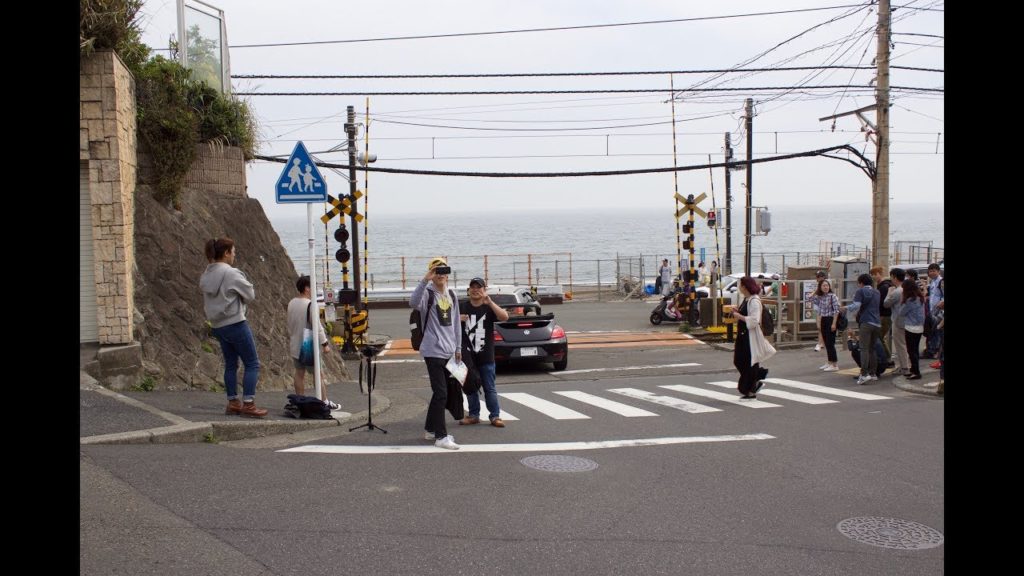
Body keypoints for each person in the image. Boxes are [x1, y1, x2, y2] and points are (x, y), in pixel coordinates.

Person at [199, 238, 268, 418]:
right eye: (233, 252)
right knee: (252, 363)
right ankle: (249, 404)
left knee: (231, 364)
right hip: (235, 322)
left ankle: (233, 402)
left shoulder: (207, 273)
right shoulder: (231, 273)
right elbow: (250, 295)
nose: (234, 255)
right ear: (227, 253)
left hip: (218, 325)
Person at [410, 257, 463, 450]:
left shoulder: (452, 295)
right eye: (436, 270)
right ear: (431, 273)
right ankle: (441, 437)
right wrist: (425, 280)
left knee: (443, 393)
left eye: (443, 270)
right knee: (440, 392)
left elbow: (456, 323)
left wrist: (458, 348)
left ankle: (430, 429)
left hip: (449, 351)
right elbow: (413, 303)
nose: (441, 274)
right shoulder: (427, 294)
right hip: (433, 350)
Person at [458, 277, 510, 428]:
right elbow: (446, 323)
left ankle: (495, 416)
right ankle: (474, 415)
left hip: (486, 355)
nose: (475, 290)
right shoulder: (462, 306)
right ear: (468, 290)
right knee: (470, 387)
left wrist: (490, 302)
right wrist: (457, 319)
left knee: (489, 387)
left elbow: (504, 317)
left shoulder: (489, 308)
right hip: (466, 356)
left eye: (479, 287)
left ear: (484, 290)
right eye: (472, 287)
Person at [286, 275, 338, 409]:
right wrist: (325, 344)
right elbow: (317, 326)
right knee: (318, 374)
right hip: (308, 343)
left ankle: (300, 401)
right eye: (313, 286)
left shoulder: (292, 302)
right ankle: (324, 401)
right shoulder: (310, 304)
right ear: (307, 288)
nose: (315, 289)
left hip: (295, 342)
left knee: (299, 373)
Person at [731, 276, 776, 399]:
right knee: (741, 361)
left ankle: (750, 388)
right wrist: (738, 312)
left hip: (749, 336)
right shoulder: (747, 299)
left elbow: (754, 320)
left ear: (745, 287)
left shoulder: (754, 300)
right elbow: (746, 314)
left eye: (740, 285)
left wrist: (738, 316)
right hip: (743, 335)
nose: (739, 287)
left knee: (748, 362)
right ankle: (755, 381)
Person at [840, 273, 882, 385]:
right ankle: (873, 374)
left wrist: (845, 308)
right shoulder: (877, 292)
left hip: (866, 322)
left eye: (858, 283)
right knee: (872, 348)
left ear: (861, 283)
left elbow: (856, 305)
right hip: (877, 323)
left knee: (864, 348)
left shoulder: (861, 291)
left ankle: (864, 374)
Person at [899, 279, 926, 380]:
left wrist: (902, 299)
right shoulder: (920, 298)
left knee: (911, 351)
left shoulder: (910, 300)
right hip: (919, 327)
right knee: (914, 350)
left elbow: (901, 312)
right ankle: (914, 370)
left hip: (910, 327)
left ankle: (916, 372)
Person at [812, 279, 840, 371]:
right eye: (823, 286)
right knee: (826, 343)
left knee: (830, 343)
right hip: (823, 319)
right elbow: (810, 298)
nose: (825, 287)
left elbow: (836, 311)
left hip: (831, 319)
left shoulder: (833, 296)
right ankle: (829, 362)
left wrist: (834, 323)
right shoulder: (820, 297)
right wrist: (816, 291)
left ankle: (834, 364)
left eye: (827, 285)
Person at [871, 266, 894, 362]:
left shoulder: (884, 287)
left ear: (880, 274)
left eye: (875, 274)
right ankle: (886, 358)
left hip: (884, 316)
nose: (874, 277)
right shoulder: (883, 286)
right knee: (879, 337)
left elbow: (882, 303)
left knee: (879, 337)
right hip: (885, 315)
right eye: (872, 275)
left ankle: (887, 359)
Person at [813, 270, 827, 352]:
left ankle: (821, 343)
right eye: (817, 277)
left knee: (820, 327)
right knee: (820, 327)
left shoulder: (823, 286)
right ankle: (821, 343)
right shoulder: (819, 286)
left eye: (818, 277)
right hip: (817, 309)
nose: (817, 279)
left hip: (822, 310)